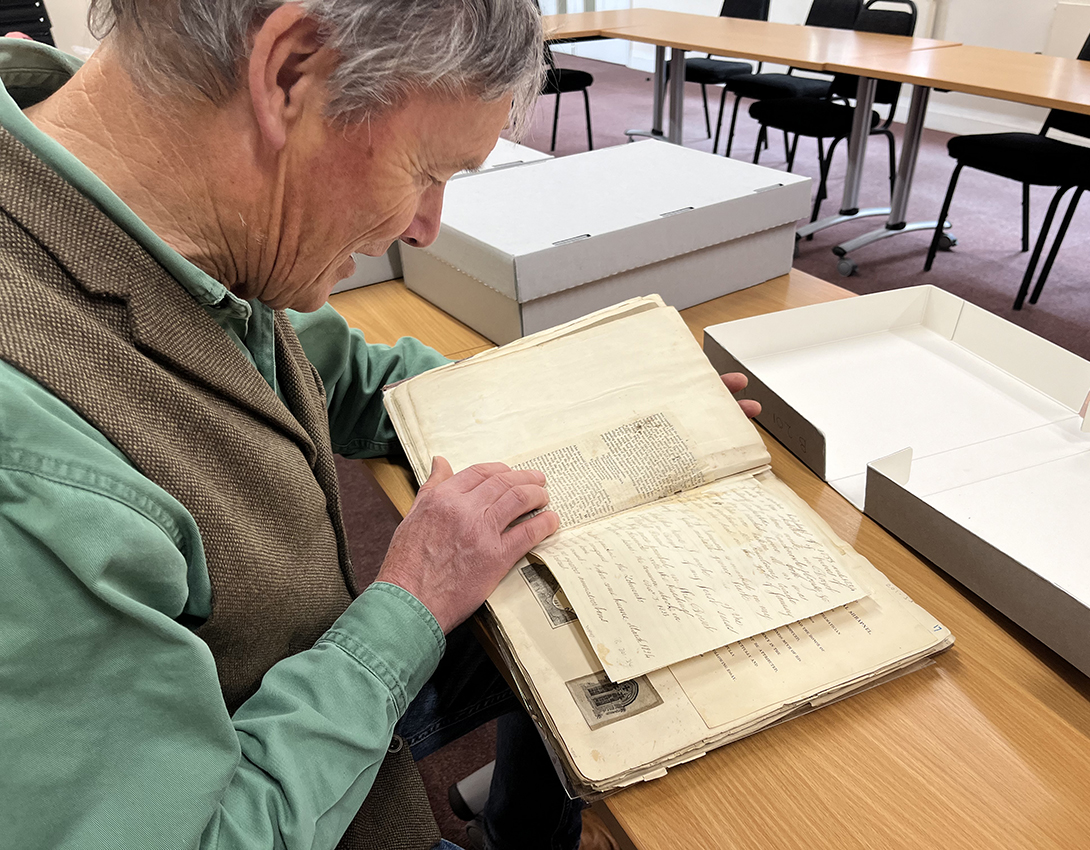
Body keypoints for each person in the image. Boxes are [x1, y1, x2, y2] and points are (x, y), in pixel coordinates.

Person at [0, 2, 759, 849]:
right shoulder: (31, 466)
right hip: (273, 799)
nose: (426, 227)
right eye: (427, 169)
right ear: (291, 72)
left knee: (567, 593)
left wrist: (603, 403)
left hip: (267, 678)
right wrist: (407, 609)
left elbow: (355, 380)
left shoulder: (159, 205)